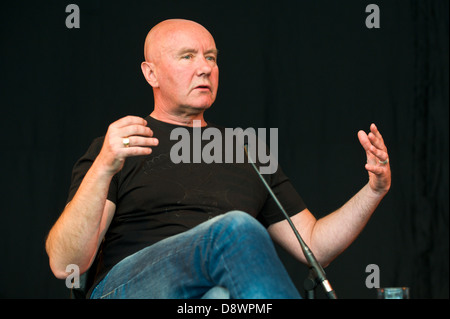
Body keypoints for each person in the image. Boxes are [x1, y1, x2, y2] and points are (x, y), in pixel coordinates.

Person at [45, 19, 391, 299]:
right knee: (236, 228)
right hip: (127, 288)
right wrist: (105, 165)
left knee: (220, 299)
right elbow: (66, 264)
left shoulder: (246, 150)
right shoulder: (124, 144)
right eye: (187, 57)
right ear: (151, 73)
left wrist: (374, 189)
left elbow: (314, 245)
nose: (205, 68)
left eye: (211, 57)